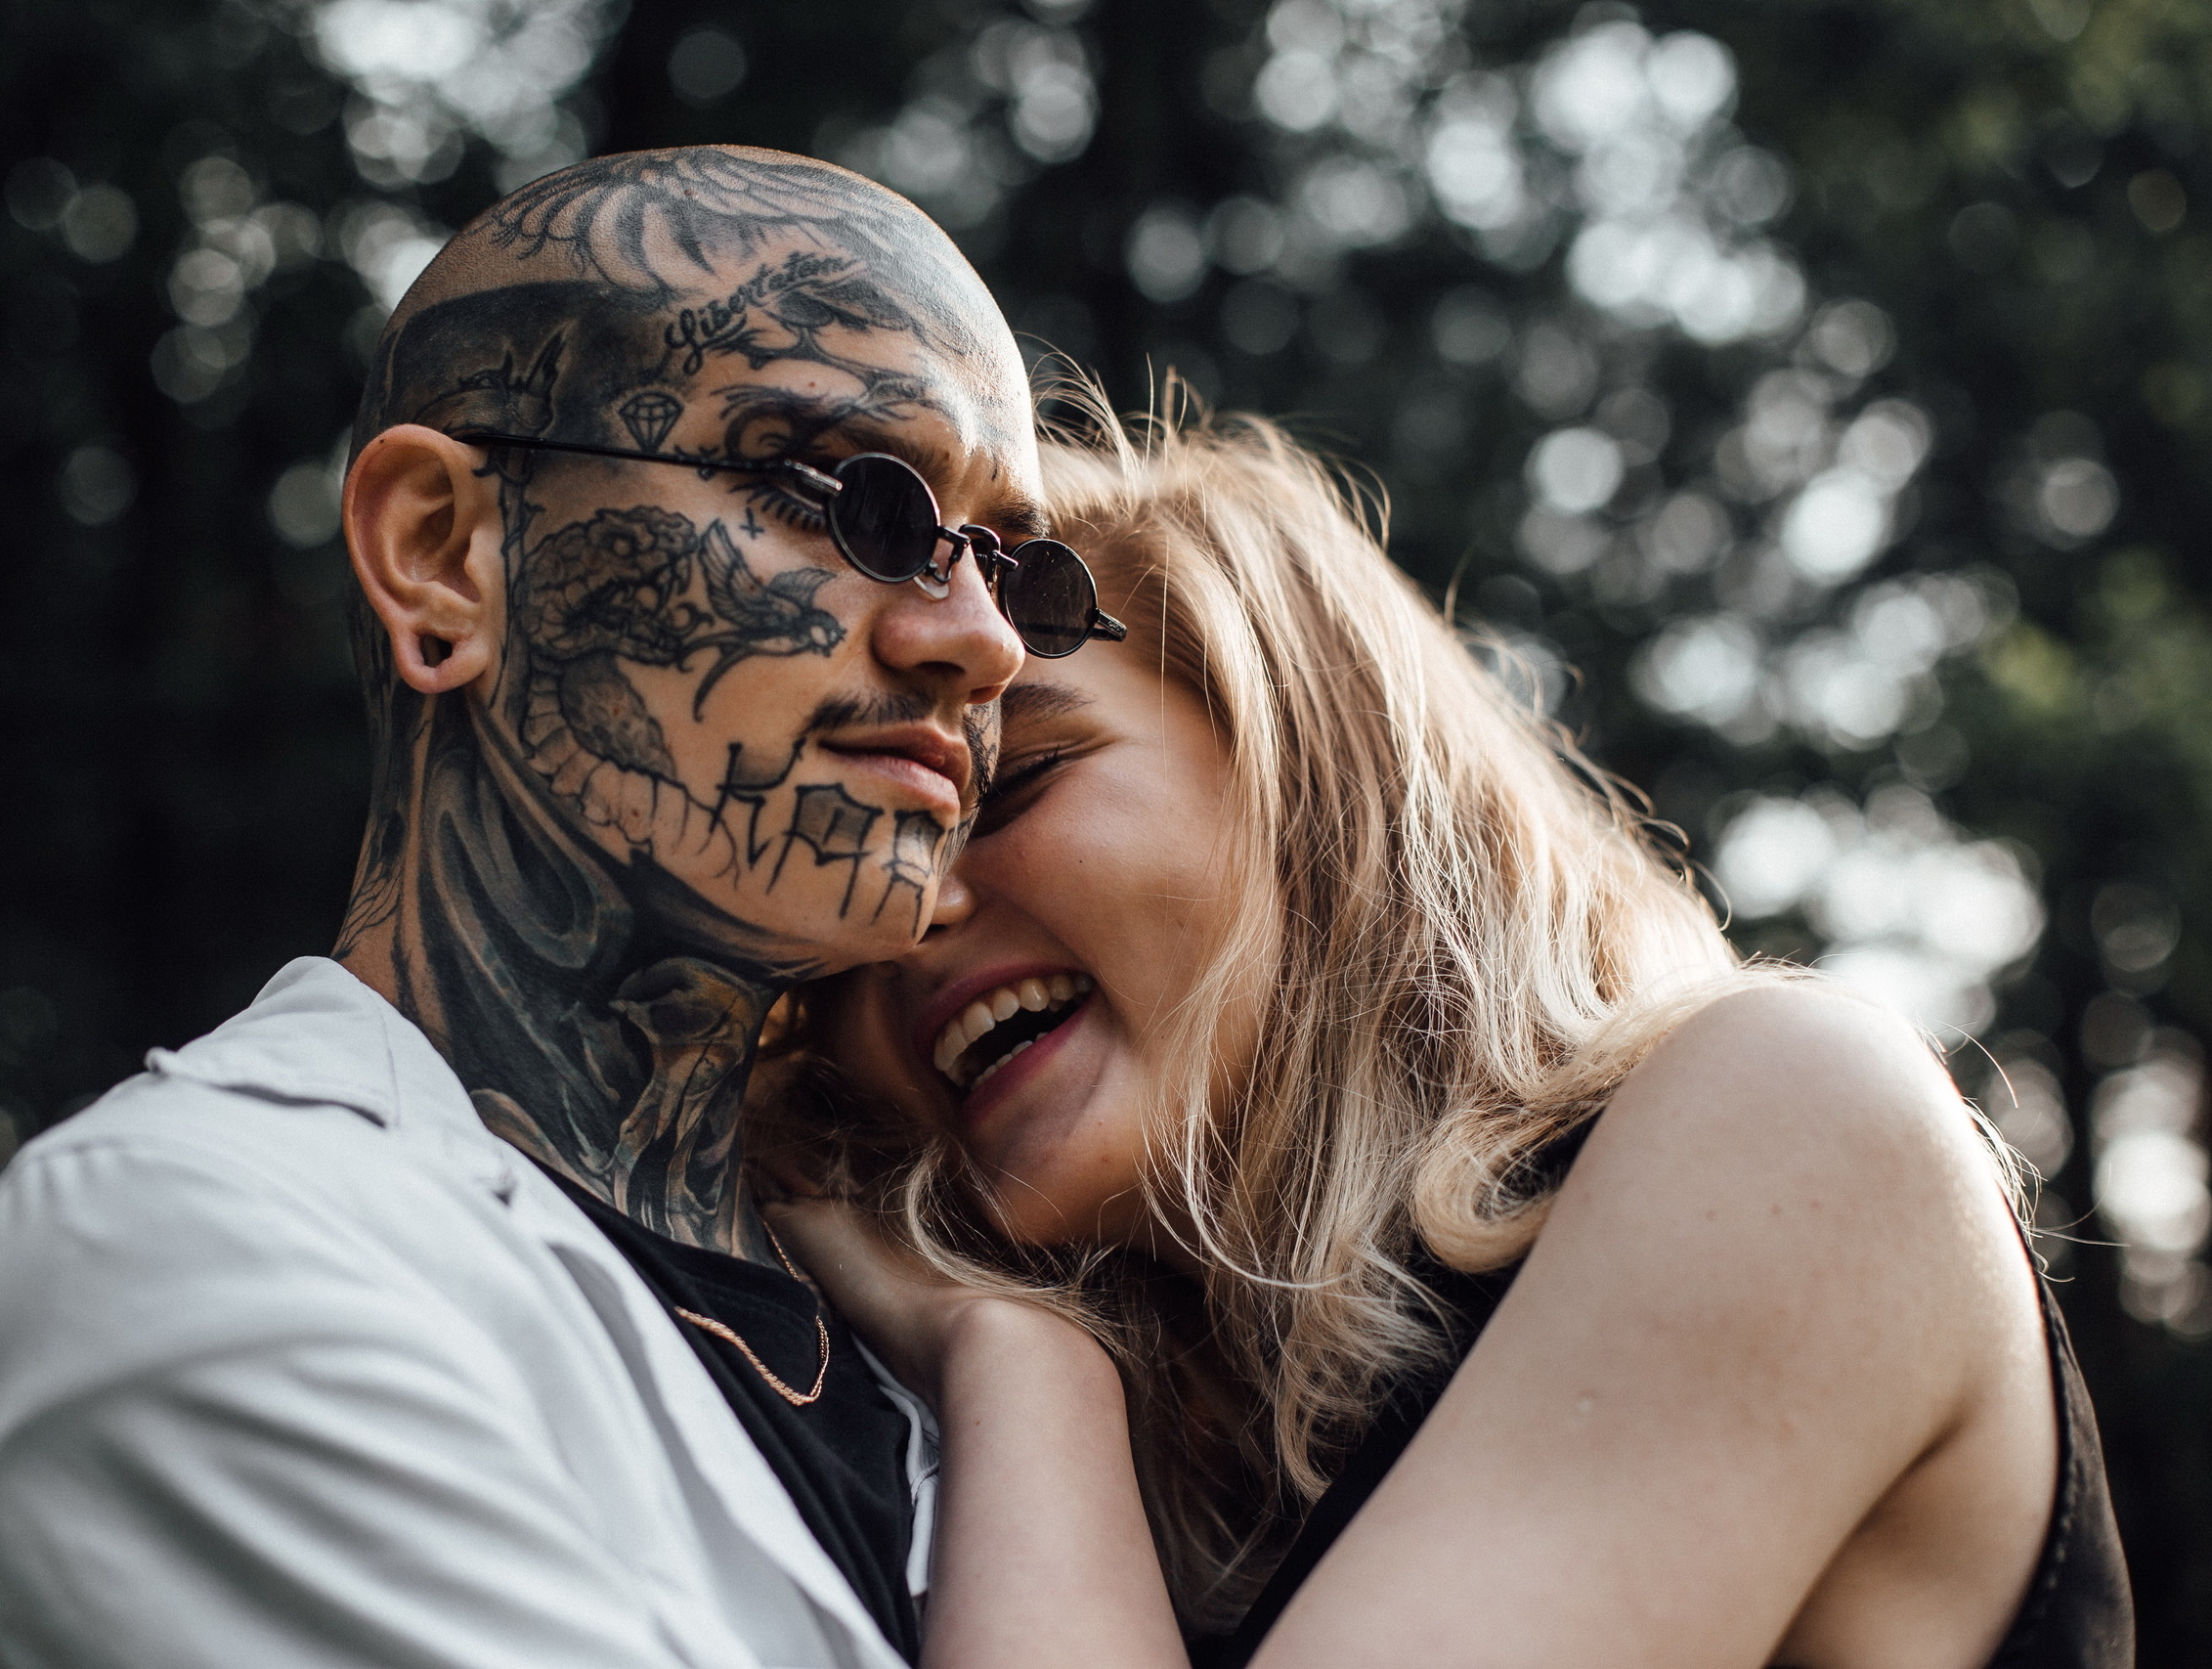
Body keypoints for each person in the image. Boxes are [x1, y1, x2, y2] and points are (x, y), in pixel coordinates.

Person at [0, 145, 1127, 1669]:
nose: (986, 643)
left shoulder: (928, 1327)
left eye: (1011, 562)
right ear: (441, 554)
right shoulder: (198, 1255)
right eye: (858, 498)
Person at [759, 407, 2134, 1669]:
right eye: (839, 912)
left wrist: (1024, 1373)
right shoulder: (1145, 1466)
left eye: (1012, 788)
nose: (911, 912)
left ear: (1306, 761)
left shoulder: (1790, 1116)